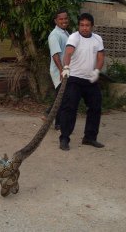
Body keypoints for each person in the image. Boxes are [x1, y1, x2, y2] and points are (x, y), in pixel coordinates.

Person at [59, 13, 105, 151]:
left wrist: (97, 71)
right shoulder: (74, 37)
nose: (84, 28)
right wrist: (66, 67)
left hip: (90, 80)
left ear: (92, 26)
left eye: (87, 25)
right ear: (79, 26)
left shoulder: (97, 39)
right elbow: (68, 53)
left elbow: (101, 57)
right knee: (70, 108)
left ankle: (89, 137)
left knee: (95, 107)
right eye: (82, 25)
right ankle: (64, 139)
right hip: (74, 79)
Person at [47, 9, 70, 130]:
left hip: (65, 69)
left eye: (65, 18)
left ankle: (49, 114)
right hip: (59, 70)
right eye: (61, 19)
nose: (64, 21)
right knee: (61, 96)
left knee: (61, 96)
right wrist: (61, 70)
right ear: (56, 21)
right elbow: (55, 55)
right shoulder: (54, 35)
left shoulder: (65, 33)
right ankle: (58, 123)